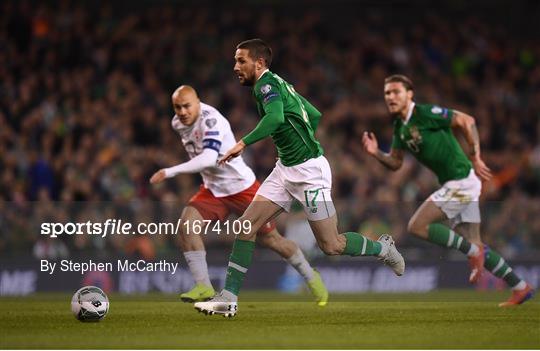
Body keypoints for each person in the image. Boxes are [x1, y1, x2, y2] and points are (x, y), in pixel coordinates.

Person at [194, 39, 405, 317]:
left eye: (241, 60)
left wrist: (242, 144)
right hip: (285, 169)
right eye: (235, 60)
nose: (236, 67)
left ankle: (383, 248)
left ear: (259, 63)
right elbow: (314, 115)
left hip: (309, 173)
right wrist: (298, 143)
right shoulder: (281, 84)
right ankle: (229, 298)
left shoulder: (265, 85)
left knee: (331, 245)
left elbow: (276, 118)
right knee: (246, 225)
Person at [362, 74, 534, 307]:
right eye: (387, 93)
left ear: (409, 94)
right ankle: (521, 288)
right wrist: (375, 153)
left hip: (461, 181)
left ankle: (473, 251)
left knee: (417, 226)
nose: (391, 97)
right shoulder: (400, 127)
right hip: (457, 184)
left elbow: (467, 121)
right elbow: (395, 162)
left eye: (396, 92)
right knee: (478, 245)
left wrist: (475, 156)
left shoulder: (425, 114)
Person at [150, 85, 328, 305]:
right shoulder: (177, 123)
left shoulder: (213, 120)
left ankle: (311, 276)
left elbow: (208, 159)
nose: (183, 112)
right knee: (186, 226)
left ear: (198, 102)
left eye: (187, 106)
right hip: (213, 189)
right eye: (178, 107)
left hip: (242, 188)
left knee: (273, 241)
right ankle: (204, 286)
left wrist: (169, 171)